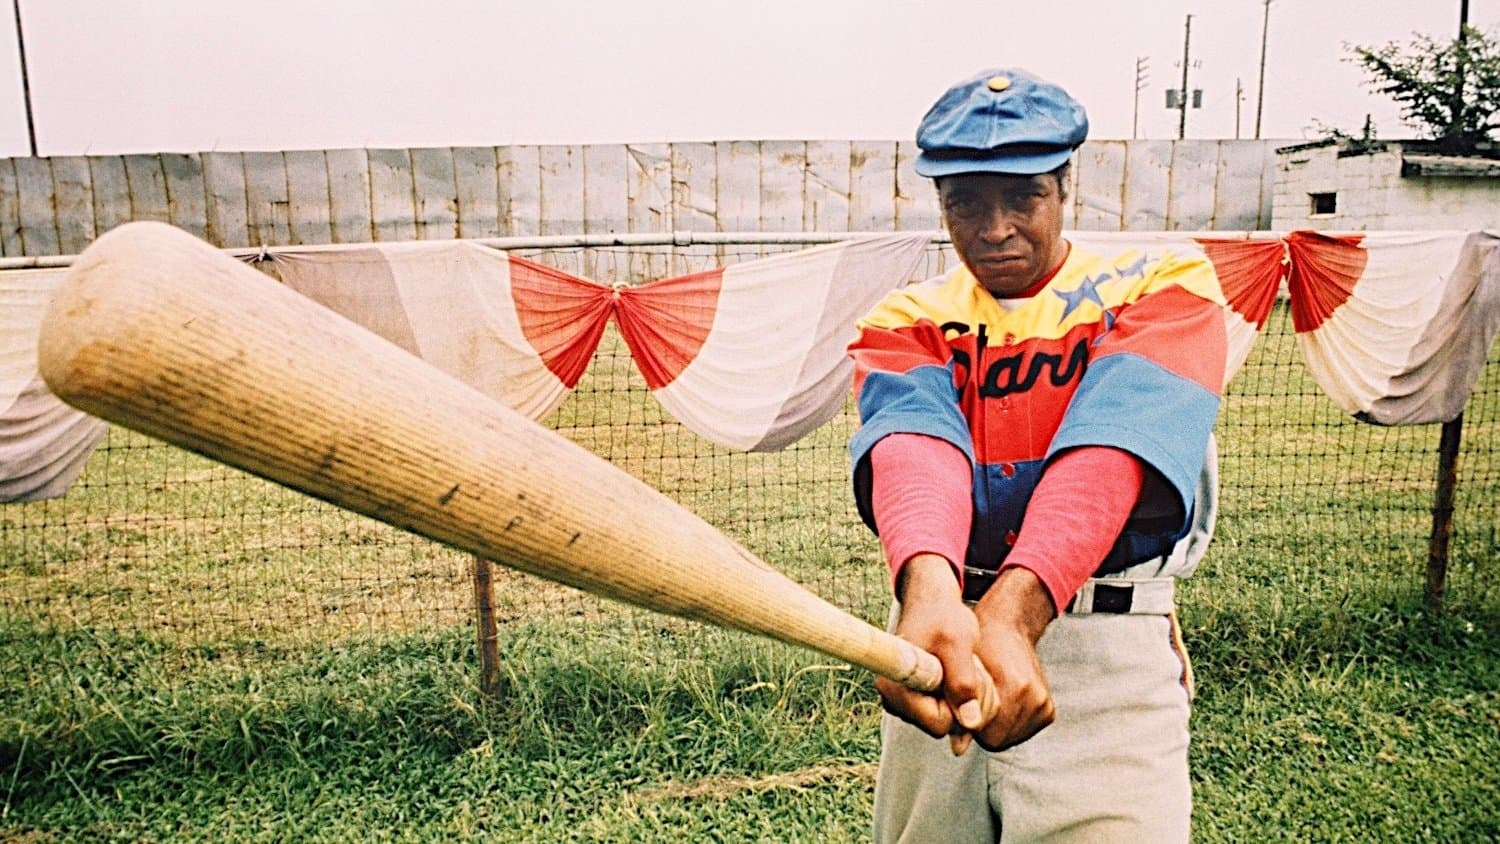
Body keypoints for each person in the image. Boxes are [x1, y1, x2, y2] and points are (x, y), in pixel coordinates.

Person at [846, 67, 1227, 842]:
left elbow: (1111, 452)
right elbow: (918, 451)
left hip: (1102, 648)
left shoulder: (1162, 282)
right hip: (941, 644)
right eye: (966, 202)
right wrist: (927, 594)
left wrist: (1015, 614)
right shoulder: (908, 315)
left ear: (1063, 187)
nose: (993, 229)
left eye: (1022, 196)